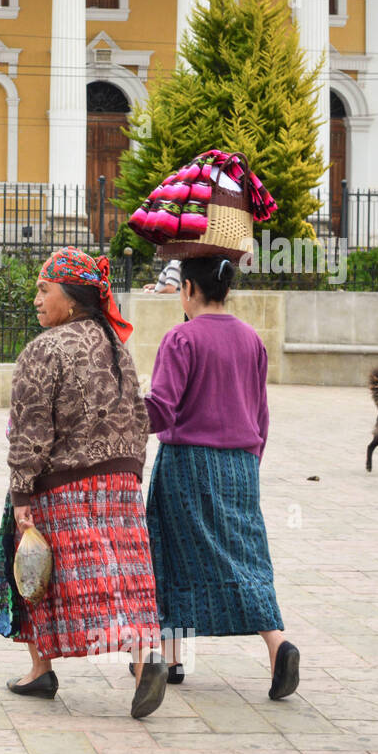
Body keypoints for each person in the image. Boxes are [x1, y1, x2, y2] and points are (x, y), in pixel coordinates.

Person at [0, 246, 168, 720]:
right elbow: (139, 414)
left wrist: (21, 494)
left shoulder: (44, 349)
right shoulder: (115, 346)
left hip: (62, 482)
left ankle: (40, 668)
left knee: (35, 570)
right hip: (120, 480)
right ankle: (143, 661)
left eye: (43, 289)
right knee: (126, 574)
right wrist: (131, 472)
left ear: (70, 299)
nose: (35, 298)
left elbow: (31, 427)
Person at [142, 255, 299, 700]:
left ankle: (171, 656)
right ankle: (277, 644)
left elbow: (161, 409)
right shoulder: (252, 340)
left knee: (171, 552)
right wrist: (249, 461)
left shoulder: (180, 338)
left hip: (188, 463)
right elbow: (261, 414)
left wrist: (119, 412)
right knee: (247, 555)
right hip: (242, 465)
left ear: (189, 288)